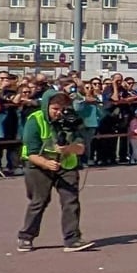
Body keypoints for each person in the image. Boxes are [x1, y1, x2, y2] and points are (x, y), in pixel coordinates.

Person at [16, 89, 90, 252]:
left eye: (62, 108)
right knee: (39, 201)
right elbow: (30, 152)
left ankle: (72, 239)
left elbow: (81, 147)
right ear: (46, 106)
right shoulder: (34, 120)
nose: (58, 112)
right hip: (38, 165)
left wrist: (68, 148)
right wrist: (45, 163)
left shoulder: (72, 120)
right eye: (55, 108)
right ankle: (26, 237)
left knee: (71, 200)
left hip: (66, 164)